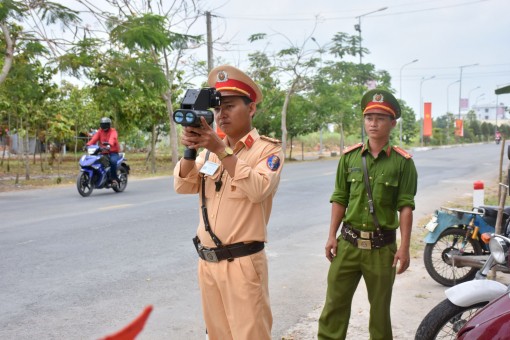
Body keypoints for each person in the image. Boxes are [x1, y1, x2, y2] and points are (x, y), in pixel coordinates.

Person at [173, 65, 284, 340]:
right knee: (218, 336)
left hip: (243, 264)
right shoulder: (210, 150)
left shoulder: (268, 150)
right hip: (208, 263)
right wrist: (191, 149)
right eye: (218, 108)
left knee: (250, 336)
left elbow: (258, 190)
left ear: (251, 109)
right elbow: (182, 185)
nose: (222, 115)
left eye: (230, 106)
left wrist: (221, 150)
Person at [318, 89, 418, 340]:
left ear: (392, 123)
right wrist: (331, 235)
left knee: (380, 313)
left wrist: (404, 247)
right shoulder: (349, 158)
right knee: (334, 307)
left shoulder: (403, 163)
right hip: (348, 245)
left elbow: (405, 206)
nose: (373, 123)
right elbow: (339, 198)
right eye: (369, 117)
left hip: (381, 248)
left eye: (380, 118)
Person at [87, 117, 120, 186]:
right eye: (102, 124)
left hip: (113, 152)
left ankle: (114, 179)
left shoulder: (113, 131)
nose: (103, 125)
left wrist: (109, 145)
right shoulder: (100, 131)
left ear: (109, 124)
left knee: (113, 162)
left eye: (105, 124)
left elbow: (113, 138)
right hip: (103, 151)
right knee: (94, 161)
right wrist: (87, 145)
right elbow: (94, 139)